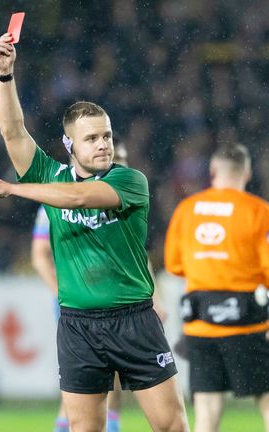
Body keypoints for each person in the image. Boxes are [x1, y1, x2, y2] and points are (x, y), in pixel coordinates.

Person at [0, 33, 189, 432]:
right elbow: (13, 133)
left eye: (106, 135)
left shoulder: (129, 181)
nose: (104, 144)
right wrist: (5, 76)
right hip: (78, 326)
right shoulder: (49, 175)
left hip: (135, 320)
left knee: (171, 426)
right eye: (92, 138)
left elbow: (78, 199)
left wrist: (12, 188)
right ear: (69, 143)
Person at [32, 142, 169, 432]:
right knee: (82, 389)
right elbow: (39, 254)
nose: (117, 165)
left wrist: (155, 296)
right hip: (80, 306)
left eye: (123, 159)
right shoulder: (62, 198)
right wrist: (62, 293)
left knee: (115, 383)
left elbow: (138, 258)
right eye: (114, 158)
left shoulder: (127, 196)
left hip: (126, 306)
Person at [164, 143, 269, 432]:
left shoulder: (187, 209)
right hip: (247, 325)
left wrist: (207, 273)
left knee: (206, 412)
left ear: (212, 171)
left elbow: (173, 264)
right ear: (247, 173)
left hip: (200, 326)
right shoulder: (259, 211)